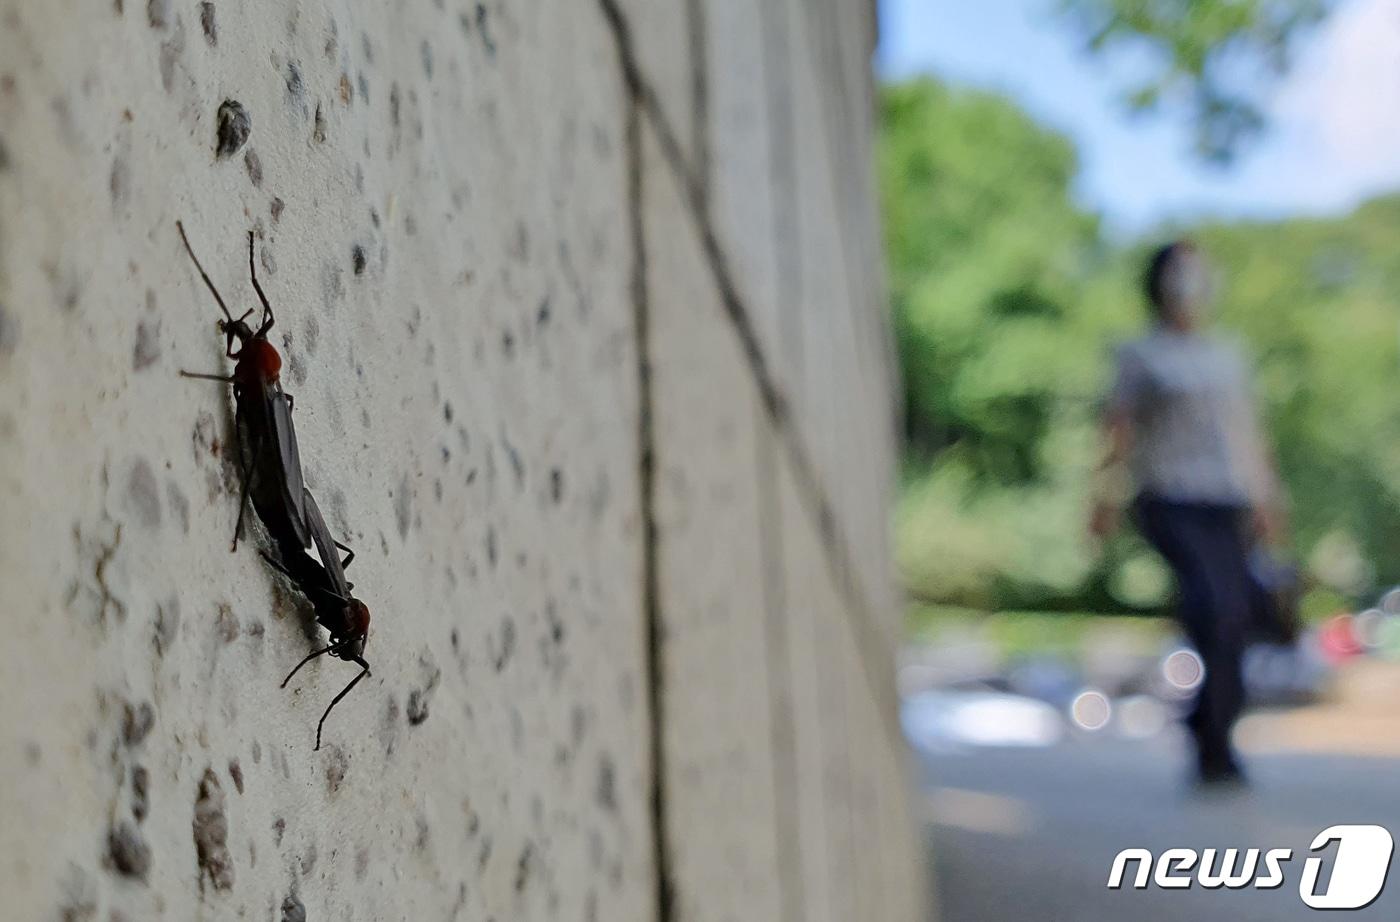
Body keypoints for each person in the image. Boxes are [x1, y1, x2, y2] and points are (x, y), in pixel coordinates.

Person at [1090, 240, 1286, 785]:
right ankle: (1213, 742)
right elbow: (1118, 429)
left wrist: (1271, 502)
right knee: (1215, 605)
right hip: (1169, 497)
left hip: (1229, 502)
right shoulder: (1140, 353)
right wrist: (1101, 499)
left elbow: (1251, 436)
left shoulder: (1229, 354)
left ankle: (1209, 724)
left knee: (1235, 617)